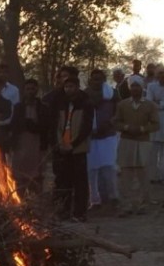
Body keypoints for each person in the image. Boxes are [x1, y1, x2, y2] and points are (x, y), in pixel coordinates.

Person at [112, 79, 160, 215]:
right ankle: (126, 205)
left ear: (142, 88)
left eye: (137, 86)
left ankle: (141, 205)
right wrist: (126, 127)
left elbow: (156, 125)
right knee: (126, 173)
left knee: (142, 173)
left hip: (143, 142)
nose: (135, 89)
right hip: (127, 141)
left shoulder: (150, 105)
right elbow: (115, 122)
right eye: (132, 86)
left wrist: (142, 129)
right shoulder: (122, 105)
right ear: (129, 88)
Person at [52, 77, 93, 221]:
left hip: (78, 149)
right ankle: (64, 211)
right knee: (64, 181)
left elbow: (86, 128)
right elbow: (57, 126)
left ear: (77, 87)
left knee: (80, 183)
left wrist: (73, 144)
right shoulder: (61, 103)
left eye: (71, 86)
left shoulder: (86, 104)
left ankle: (80, 213)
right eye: (66, 86)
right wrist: (61, 143)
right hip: (63, 148)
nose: (68, 89)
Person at [85, 69, 119, 210]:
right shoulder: (84, 95)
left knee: (109, 169)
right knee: (92, 171)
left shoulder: (112, 94)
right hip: (90, 137)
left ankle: (112, 197)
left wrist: (111, 122)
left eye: (99, 79)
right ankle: (95, 200)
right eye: (94, 79)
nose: (97, 81)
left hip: (108, 136)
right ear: (90, 80)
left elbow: (119, 112)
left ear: (104, 80)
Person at [10, 79, 52, 196]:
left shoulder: (43, 107)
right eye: (28, 89)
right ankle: (20, 201)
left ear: (37, 90)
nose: (30, 91)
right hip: (21, 145)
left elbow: (46, 126)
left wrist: (34, 126)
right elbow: (14, 125)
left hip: (37, 144)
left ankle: (37, 202)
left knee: (37, 174)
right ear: (24, 91)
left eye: (33, 89)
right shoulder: (18, 107)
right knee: (19, 175)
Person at [145, 67, 164, 184]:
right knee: (153, 151)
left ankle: (162, 176)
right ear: (157, 75)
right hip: (155, 121)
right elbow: (149, 102)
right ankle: (153, 176)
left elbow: (154, 103)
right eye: (160, 73)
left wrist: (159, 103)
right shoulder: (151, 86)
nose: (162, 75)